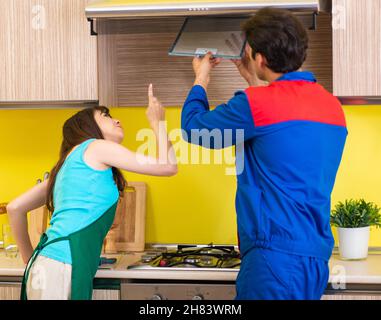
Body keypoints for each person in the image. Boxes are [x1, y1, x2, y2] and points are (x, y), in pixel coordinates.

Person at [181, 8, 347, 300]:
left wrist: (201, 78)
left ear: (260, 58)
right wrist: (254, 82)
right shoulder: (331, 106)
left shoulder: (256, 105)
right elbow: (277, 126)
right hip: (314, 258)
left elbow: (194, 128)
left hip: (272, 259)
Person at [7, 84, 177, 300]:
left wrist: (30, 259)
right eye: (106, 116)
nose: (116, 119)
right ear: (86, 127)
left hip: (46, 265)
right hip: (62, 266)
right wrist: (157, 121)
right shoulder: (96, 147)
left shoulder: (65, 165)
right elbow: (168, 166)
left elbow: (15, 208)